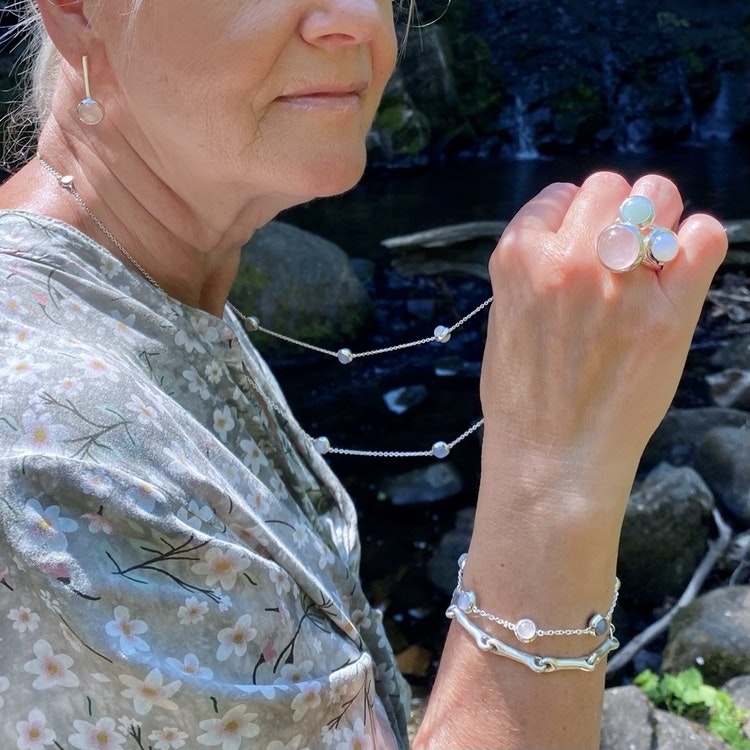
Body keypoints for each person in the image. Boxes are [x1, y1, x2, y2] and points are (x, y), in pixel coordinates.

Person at [0, 1, 728, 749]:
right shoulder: (51, 447)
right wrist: (554, 474)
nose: (355, 20)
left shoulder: (145, 289)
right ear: (78, 10)